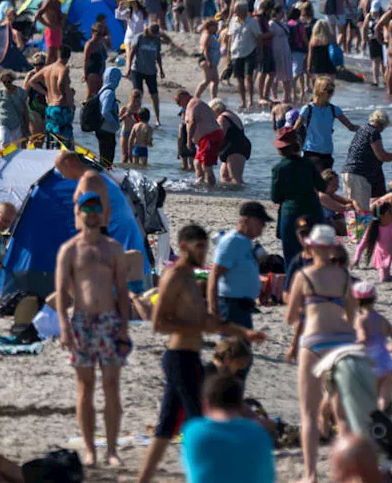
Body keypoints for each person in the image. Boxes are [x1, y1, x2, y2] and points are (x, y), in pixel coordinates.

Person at [135, 224, 265, 483]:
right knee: (200, 420)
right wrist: (195, 327)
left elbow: (208, 322)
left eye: (206, 246)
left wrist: (244, 333)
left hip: (188, 356)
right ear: (183, 246)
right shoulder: (174, 277)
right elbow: (157, 323)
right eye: (199, 246)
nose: (204, 251)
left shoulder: (193, 280)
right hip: (179, 356)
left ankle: (144, 479)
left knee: (167, 426)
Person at [55, 191, 131, 468]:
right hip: (82, 322)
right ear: (78, 213)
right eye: (86, 208)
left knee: (112, 386)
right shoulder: (70, 250)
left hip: (109, 321)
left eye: (95, 208)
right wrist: (63, 325)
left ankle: (112, 449)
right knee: (85, 387)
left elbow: (122, 290)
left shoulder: (113, 249)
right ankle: (90, 449)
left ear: (102, 213)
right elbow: (61, 291)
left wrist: (124, 326)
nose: (91, 213)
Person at [287, 224, 356, 480]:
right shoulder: (345, 277)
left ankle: (311, 473)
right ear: (332, 248)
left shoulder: (303, 276)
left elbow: (291, 316)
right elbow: (352, 315)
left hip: (314, 342)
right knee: (343, 415)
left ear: (312, 247)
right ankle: (345, 472)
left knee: (308, 412)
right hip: (341, 344)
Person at [179, 374, 275, 483]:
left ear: (206, 404)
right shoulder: (259, 434)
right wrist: (254, 417)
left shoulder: (193, 431)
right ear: (241, 405)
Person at [209, 202, 269, 362]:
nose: (262, 228)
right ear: (247, 220)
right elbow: (214, 275)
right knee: (233, 353)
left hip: (243, 306)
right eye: (260, 223)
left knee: (241, 353)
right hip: (230, 305)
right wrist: (213, 307)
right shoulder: (231, 241)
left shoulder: (246, 241)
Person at [270, 127, 324, 269]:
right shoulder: (308, 163)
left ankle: (292, 287)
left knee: (291, 257)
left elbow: (275, 197)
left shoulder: (279, 168)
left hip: (290, 212)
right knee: (315, 252)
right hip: (313, 210)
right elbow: (322, 186)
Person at [341, 109, 392, 213]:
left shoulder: (362, 129)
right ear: (382, 124)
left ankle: (352, 229)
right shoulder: (373, 132)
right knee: (360, 211)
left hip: (348, 171)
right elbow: (381, 156)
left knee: (352, 208)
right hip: (359, 174)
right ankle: (360, 229)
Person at [354, 281, 392, 411]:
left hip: (371, 364)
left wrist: (350, 346)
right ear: (374, 299)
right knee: (383, 403)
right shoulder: (382, 319)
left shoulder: (361, 319)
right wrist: (388, 349)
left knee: (368, 401)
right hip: (387, 364)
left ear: (356, 301)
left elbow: (363, 338)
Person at [296, 76, 357, 171]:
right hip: (310, 152)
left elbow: (350, 126)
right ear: (320, 91)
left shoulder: (334, 109)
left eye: (332, 91)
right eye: (329, 91)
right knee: (316, 183)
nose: (331, 94)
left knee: (325, 184)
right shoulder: (308, 109)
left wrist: (366, 128)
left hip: (327, 153)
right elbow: (294, 129)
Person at [178, 90, 220, 187]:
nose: (179, 105)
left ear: (184, 97)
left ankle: (211, 188)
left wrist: (189, 140)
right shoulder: (191, 105)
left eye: (178, 101)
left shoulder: (193, 103)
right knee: (196, 162)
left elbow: (192, 122)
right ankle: (200, 186)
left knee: (206, 166)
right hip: (204, 140)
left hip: (210, 137)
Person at [128, 24, 165, 125]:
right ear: (148, 31)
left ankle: (157, 119)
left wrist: (161, 69)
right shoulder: (139, 37)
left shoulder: (157, 40)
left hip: (151, 71)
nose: (154, 35)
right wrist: (128, 69)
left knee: (154, 94)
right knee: (137, 94)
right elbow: (132, 53)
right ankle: (133, 116)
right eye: (153, 33)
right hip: (137, 69)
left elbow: (158, 55)